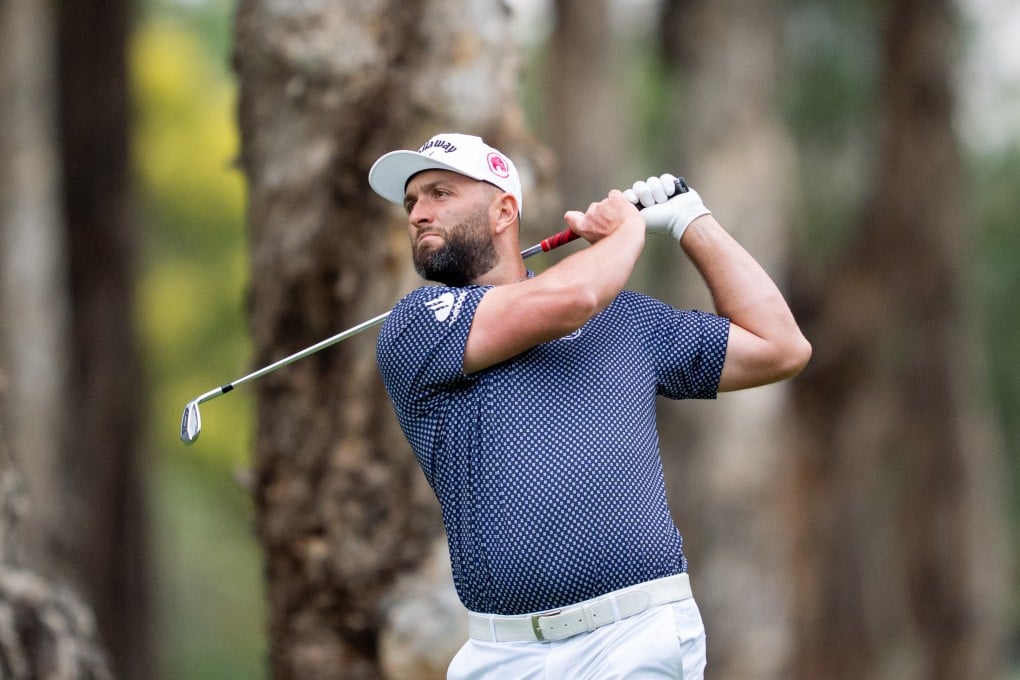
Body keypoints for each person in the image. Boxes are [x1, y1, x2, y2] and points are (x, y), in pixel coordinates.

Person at [368, 132, 811, 679]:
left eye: (440, 194)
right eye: (411, 202)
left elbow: (780, 347)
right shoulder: (415, 326)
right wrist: (626, 233)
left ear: (504, 211)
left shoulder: (625, 320)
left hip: (636, 638)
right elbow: (571, 299)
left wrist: (691, 221)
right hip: (504, 655)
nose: (418, 214)